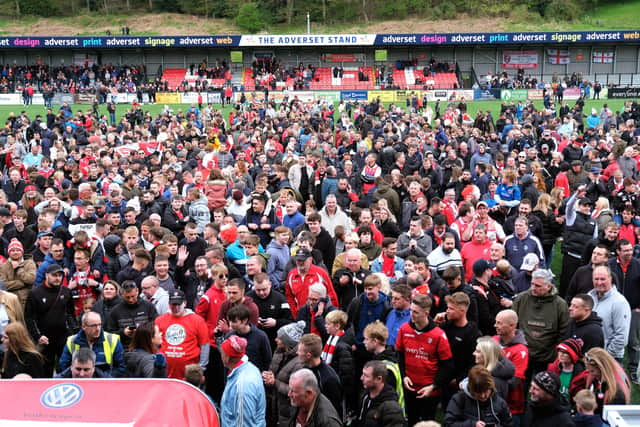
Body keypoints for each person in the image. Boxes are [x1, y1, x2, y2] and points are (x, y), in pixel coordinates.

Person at [396, 294, 453, 425]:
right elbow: (400, 355)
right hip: (409, 387)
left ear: (426, 313)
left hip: (429, 391)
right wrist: (404, 376)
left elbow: (448, 366)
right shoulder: (405, 329)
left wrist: (433, 386)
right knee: (411, 421)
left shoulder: (438, 335)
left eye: (415, 312)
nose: (411, 314)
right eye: (411, 310)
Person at [511, 269, 569, 379]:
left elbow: (564, 332)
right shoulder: (521, 299)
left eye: (538, 286)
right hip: (523, 354)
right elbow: (513, 324)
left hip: (547, 357)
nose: (533, 288)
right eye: (532, 284)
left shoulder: (560, 305)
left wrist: (555, 355)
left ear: (549, 286)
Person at [24, 264, 77, 377]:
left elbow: (71, 314)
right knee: (45, 371)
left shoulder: (66, 291)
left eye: (60, 275)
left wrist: (73, 332)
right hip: (45, 339)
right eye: (54, 275)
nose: (57, 278)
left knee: (66, 368)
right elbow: (29, 318)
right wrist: (37, 336)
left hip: (63, 338)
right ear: (46, 275)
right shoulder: (35, 293)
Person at [155, 289, 210, 379]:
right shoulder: (160, 320)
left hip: (190, 374)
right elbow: (154, 343)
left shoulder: (197, 320)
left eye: (178, 304)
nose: (176, 308)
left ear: (184, 303)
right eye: (173, 305)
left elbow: (204, 345)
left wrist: (201, 368)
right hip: (166, 372)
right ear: (169, 304)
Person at [264, 321, 306, 427]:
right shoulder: (279, 351)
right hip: (274, 403)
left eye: (279, 338)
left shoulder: (299, 363)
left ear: (287, 341)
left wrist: (275, 382)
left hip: (287, 410)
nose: (276, 340)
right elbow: (273, 370)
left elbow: (296, 390)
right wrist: (268, 375)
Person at [59, 311, 126, 377]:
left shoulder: (113, 340)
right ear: (84, 326)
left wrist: (103, 379)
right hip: (79, 381)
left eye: (99, 324)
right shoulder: (72, 341)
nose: (98, 329)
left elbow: (121, 368)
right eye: (94, 326)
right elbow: (64, 366)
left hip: (105, 383)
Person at [220, 335, 267, 427]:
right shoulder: (250, 368)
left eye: (222, 352)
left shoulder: (242, 386)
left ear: (227, 357)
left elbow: (244, 424)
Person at [587, 265, 631, 363]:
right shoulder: (589, 296)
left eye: (603, 279)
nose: (599, 282)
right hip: (590, 356)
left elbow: (621, 337)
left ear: (610, 278)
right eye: (596, 279)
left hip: (610, 359)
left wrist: (604, 356)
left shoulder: (619, 302)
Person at [444, 366, 513, 427]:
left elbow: (508, 424)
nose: (483, 396)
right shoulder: (459, 399)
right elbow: (448, 424)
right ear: (471, 389)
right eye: (478, 392)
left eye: (486, 391)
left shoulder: (500, 402)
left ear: (491, 387)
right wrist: (472, 425)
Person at [493, 309, 528, 423]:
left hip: (511, 407)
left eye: (499, 323)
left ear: (512, 325)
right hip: (489, 401)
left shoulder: (520, 351)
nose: (495, 325)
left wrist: (487, 383)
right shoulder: (493, 341)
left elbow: (513, 383)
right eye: (496, 322)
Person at [297, 333, 343, 416]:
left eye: (299, 351)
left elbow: (334, 410)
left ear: (308, 355)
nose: (297, 353)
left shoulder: (329, 379)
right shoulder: (304, 369)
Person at [246, 272, 293, 350]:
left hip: (274, 341)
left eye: (264, 289)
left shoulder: (280, 299)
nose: (261, 293)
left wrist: (276, 322)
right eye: (258, 290)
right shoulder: (248, 298)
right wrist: (253, 321)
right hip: (253, 340)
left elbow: (290, 321)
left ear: (270, 284)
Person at [107, 280, 158, 349]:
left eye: (133, 296)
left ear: (137, 291)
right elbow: (109, 333)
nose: (130, 300)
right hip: (125, 348)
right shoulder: (115, 311)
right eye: (127, 297)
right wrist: (123, 332)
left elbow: (156, 326)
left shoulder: (148, 306)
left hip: (146, 347)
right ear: (122, 294)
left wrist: (142, 331)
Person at [355, 360, 406, 427]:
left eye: (366, 376)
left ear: (379, 379)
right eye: (362, 374)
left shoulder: (391, 407)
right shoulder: (365, 396)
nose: (361, 378)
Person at [225, 304, 272, 372]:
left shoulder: (261, 336)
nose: (230, 324)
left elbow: (267, 360)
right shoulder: (229, 336)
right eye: (229, 321)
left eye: (234, 321)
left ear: (244, 320)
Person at [583, 347, 630, 414]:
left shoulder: (616, 393)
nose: (589, 374)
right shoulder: (599, 380)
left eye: (592, 371)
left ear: (602, 369)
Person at [472, 336, 516, 400]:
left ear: (487, 355)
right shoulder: (486, 373)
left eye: (478, 351)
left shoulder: (494, 381)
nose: (473, 353)